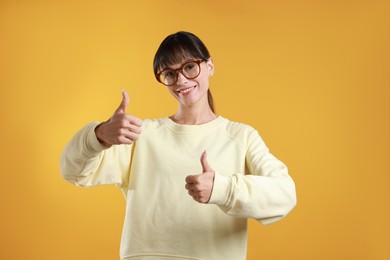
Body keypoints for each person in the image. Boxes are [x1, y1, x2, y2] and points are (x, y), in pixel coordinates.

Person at [60, 31, 297, 260]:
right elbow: (73, 172)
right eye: (170, 74)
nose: (181, 79)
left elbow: (284, 195)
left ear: (209, 66)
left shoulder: (241, 136)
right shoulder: (141, 135)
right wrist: (99, 135)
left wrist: (222, 190)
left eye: (190, 67)